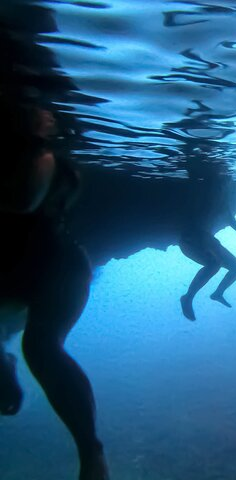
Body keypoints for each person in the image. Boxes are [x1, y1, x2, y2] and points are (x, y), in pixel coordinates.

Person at [0, 104, 109, 480]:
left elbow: (24, 198)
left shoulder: (42, 154)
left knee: (42, 347)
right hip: (27, 263)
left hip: (55, 264)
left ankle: (90, 454)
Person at [179, 170, 236, 321]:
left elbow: (231, 220)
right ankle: (188, 297)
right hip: (191, 239)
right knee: (214, 264)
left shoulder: (222, 202)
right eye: (222, 184)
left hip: (208, 239)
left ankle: (218, 293)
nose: (224, 187)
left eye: (225, 185)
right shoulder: (203, 197)